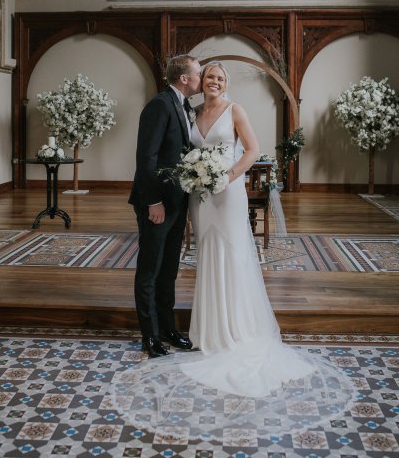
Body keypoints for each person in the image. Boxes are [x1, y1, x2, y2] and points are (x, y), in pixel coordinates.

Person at [115, 61, 355, 438]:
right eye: (207, 75)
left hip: (226, 194)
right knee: (198, 257)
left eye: (218, 78)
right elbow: (164, 155)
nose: (211, 81)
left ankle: (232, 329)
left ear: (225, 84)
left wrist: (225, 176)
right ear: (193, 80)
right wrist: (188, 183)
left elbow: (253, 149)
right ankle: (196, 330)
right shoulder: (186, 110)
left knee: (228, 252)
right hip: (195, 199)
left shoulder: (234, 110)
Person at [129, 54, 201, 358]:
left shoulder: (185, 107)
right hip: (156, 203)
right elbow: (147, 158)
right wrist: (153, 201)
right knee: (150, 269)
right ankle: (150, 336)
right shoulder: (159, 105)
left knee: (169, 269)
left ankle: (168, 328)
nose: (201, 77)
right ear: (184, 78)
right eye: (198, 73)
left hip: (177, 202)